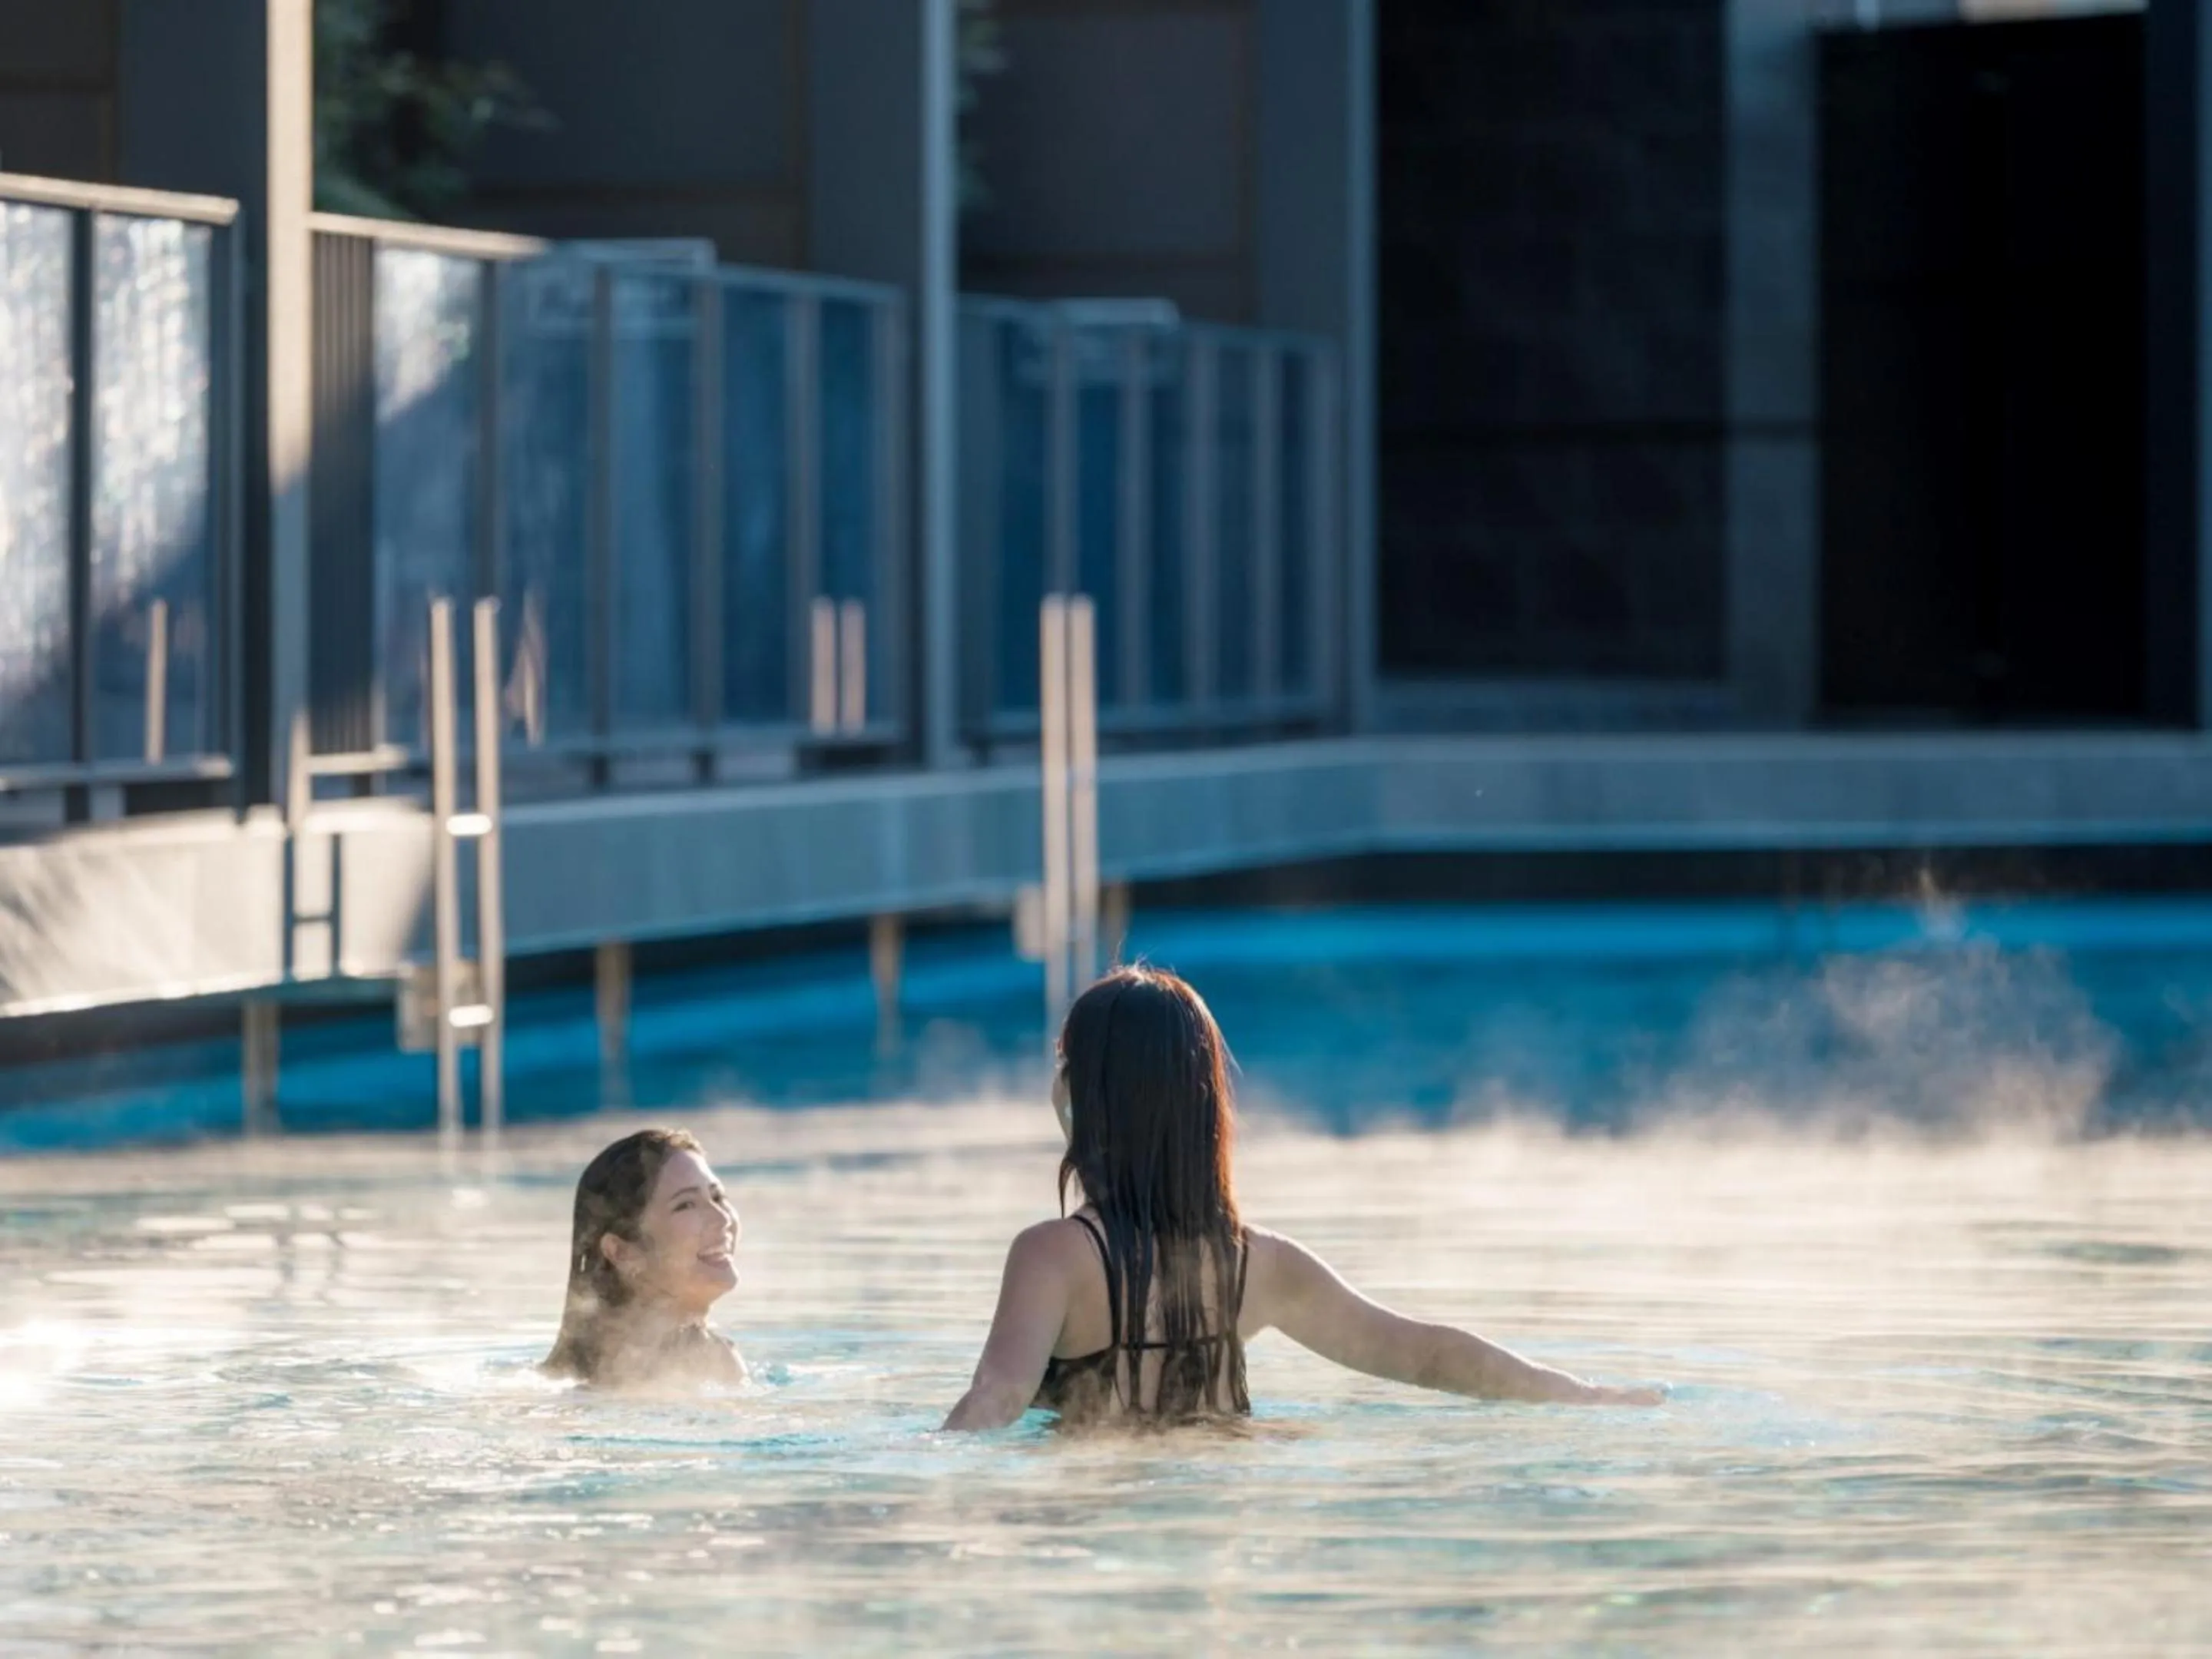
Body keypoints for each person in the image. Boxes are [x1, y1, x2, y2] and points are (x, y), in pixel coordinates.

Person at [944, 966, 1664, 1430]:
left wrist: (919, 1480)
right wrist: (1581, 1396)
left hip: (1092, 1522)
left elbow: (997, 1399)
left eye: (1064, 1065)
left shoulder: (1053, 1256)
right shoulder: (1257, 1264)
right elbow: (1421, 1353)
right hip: (1223, 1513)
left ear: (1091, 1096)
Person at [542, 1127, 748, 1391]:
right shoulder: (708, 1364)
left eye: (717, 1197)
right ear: (622, 1252)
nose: (723, 1219)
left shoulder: (580, 1374)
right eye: (686, 1205)